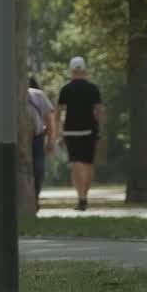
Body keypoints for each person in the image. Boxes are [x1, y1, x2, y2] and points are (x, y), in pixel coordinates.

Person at [57, 56, 104, 211]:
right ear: (84, 69)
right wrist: (100, 129)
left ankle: (81, 198)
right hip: (90, 130)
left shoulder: (65, 89)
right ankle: (85, 196)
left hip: (71, 131)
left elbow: (58, 111)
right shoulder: (93, 88)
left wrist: (58, 132)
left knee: (76, 163)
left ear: (71, 70)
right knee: (88, 164)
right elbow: (99, 110)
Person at [27, 76, 57, 205]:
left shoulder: (37, 95)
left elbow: (49, 117)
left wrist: (51, 139)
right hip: (15, 139)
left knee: (38, 168)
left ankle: (35, 198)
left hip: (36, 138)